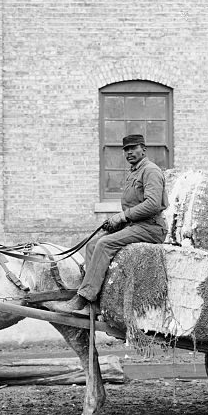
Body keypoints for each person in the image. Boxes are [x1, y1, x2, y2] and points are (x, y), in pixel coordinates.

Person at [56, 134, 168, 314]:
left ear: (143, 149)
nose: (129, 152)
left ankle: (84, 296)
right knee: (93, 244)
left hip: (151, 227)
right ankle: (97, 301)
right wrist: (118, 221)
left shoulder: (150, 171)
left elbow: (153, 204)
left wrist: (123, 217)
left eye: (134, 148)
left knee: (104, 244)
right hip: (136, 225)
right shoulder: (134, 172)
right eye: (126, 149)